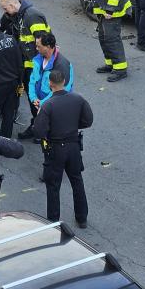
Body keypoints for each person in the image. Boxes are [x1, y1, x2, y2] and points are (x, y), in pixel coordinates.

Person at [32, 70, 93, 228]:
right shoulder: (78, 99)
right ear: (64, 81)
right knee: (77, 180)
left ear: (50, 84)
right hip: (73, 147)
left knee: (53, 185)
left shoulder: (48, 105)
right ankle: (82, 218)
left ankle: (53, 222)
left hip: (55, 148)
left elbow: (38, 131)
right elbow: (88, 120)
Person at [0, 0, 50, 139]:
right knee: (32, 97)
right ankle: (37, 126)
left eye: (5, 8)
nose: (4, 12)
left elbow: (44, 43)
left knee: (37, 98)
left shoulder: (32, 16)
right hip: (26, 65)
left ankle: (41, 130)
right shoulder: (16, 16)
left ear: (12, 5)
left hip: (36, 66)